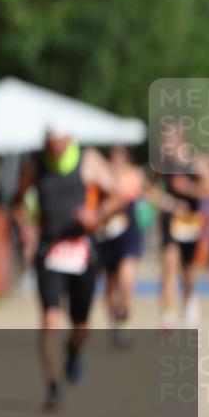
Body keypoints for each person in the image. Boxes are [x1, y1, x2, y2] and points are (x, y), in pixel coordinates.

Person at [12, 125, 118, 412]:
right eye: (50, 143)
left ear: (70, 138)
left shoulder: (88, 159)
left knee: (81, 326)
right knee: (49, 319)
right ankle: (53, 387)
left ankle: (73, 351)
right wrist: (26, 227)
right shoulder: (35, 163)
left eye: (59, 143)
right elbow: (18, 203)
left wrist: (96, 215)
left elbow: (117, 196)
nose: (55, 149)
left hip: (82, 249)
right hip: (49, 249)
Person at [147, 127, 209, 330]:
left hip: (192, 223)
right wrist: (168, 202)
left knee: (188, 271)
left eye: (167, 142)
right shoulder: (163, 164)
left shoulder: (198, 162)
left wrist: (186, 188)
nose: (164, 146)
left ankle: (189, 299)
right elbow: (149, 189)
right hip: (170, 221)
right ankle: (168, 316)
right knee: (169, 264)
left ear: (180, 141)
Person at [93, 146, 145, 347]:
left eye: (121, 156)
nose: (117, 160)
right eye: (114, 156)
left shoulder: (134, 176)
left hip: (129, 236)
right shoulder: (100, 179)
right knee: (110, 287)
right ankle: (115, 321)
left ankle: (124, 320)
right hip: (107, 238)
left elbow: (140, 193)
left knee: (126, 281)